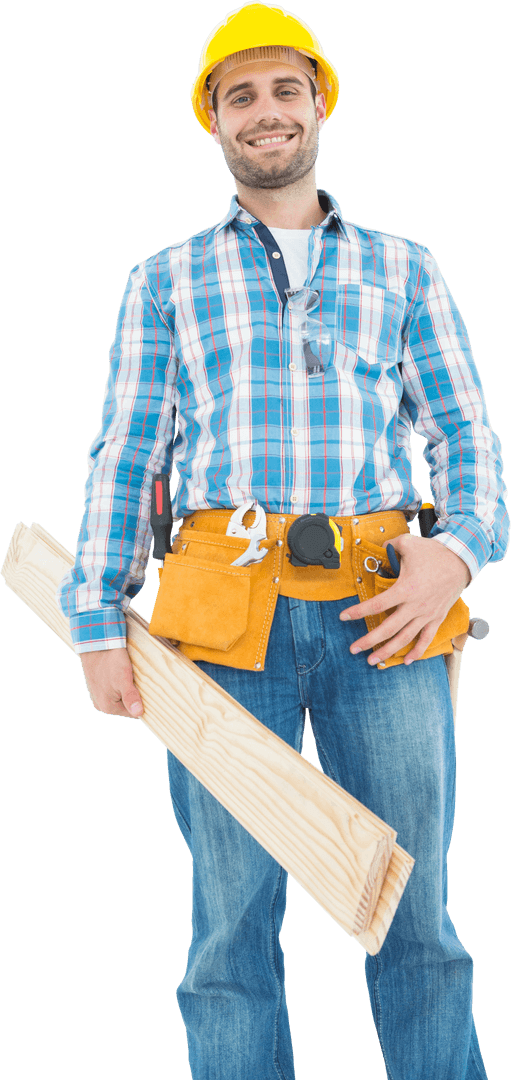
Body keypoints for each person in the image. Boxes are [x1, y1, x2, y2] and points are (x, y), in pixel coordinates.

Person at [57, 3, 508, 1077]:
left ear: (318, 105)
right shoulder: (162, 280)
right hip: (218, 616)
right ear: (213, 120)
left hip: (384, 610)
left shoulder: (407, 268)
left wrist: (460, 549)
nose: (266, 113)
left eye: (284, 89)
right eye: (241, 94)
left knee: (417, 918)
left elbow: (463, 438)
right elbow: (125, 454)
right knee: (228, 930)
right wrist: (94, 622)